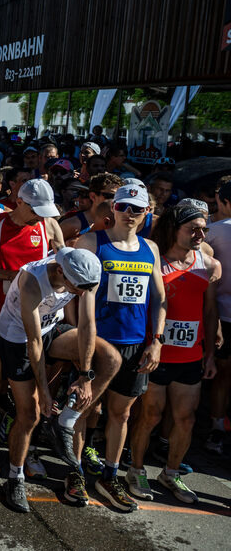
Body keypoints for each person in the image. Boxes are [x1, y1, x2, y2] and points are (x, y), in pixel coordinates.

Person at [0, 248, 118, 512]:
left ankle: (67, 420)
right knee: (30, 415)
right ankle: (15, 478)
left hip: (52, 327)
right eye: (79, 287)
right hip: (18, 337)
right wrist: (44, 394)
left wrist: (85, 376)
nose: (84, 292)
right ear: (60, 271)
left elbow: (87, 325)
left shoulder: (84, 274)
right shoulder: (32, 281)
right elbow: (35, 343)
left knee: (111, 359)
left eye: (88, 288)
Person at [73, 183, 167, 512]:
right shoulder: (91, 242)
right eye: (123, 207)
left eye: (136, 209)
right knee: (84, 410)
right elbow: (74, 297)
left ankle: (110, 475)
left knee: (121, 413)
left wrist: (156, 342)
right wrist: (79, 338)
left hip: (135, 345)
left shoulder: (150, 249)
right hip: (98, 343)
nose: (129, 214)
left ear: (146, 214)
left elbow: (159, 300)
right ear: (112, 208)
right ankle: (75, 472)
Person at [126, 205, 219, 504]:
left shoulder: (207, 264)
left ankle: (171, 472)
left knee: (187, 418)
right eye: (193, 228)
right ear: (174, 228)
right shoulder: (155, 260)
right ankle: (136, 469)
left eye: (203, 229)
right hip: (157, 354)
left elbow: (209, 308)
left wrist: (210, 354)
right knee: (150, 415)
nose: (200, 234)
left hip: (191, 355)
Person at [0, 179, 65, 476]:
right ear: (20, 201)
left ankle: (30, 447)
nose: (41, 216)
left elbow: (65, 265)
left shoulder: (49, 226)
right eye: (36, 209)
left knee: (33, 388)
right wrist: (19, 276)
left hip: (39, 316)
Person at [206, 180, 231, 455]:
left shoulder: (212, 232)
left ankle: (216, 427)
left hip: (221, 313)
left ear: (223, 203)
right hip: (221, 314)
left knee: (221, 374)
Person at [59, 172, 122, 243]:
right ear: (93, 196)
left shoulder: (121, 224)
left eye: (119, 197)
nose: (115, 200)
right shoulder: (72, 224)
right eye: (111, 196)